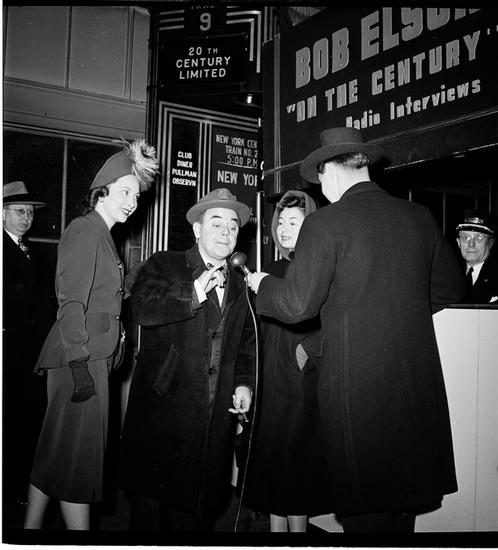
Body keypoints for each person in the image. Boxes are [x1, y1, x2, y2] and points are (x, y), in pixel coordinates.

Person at [247, 127, 465, 533]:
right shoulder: (418, 216)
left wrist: (264, 285)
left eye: (320, 179)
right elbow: (449, 289)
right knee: (401, 514)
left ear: (329, 171)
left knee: (366, 519)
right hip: (414, 393)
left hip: (357, 395)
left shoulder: (326, 223)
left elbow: (295, 305)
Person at [23, 139, 158, 530]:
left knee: (57, 453)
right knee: (78, 465)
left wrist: (132, 279)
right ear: (102, 191)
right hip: (79, 361)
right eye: (125, 192)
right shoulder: (85, 230)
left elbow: (100, 297)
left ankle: (29, 530)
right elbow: (71, 304)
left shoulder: (103, 235)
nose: (132, 202)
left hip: (86, 359)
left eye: (136, 195)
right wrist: (81, 365)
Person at [120, 187, 256, 532]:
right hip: (163, 419)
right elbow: (142, 307)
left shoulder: (241, 283)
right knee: (151, 519)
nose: (226, 232)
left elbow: (246, 343)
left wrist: (243, 383)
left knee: (195, 520)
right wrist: (194, 291)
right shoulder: (165, 264)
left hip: (212, 424)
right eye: (216, 223)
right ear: (197, 228)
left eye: (233, 226)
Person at [243, 190, 327, 532]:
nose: (284, 227)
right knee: (274, 469)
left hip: (301, 383)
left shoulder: (319, 267)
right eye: (281, 221)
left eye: (294, 221)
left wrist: (307, 350)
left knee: (295, 469)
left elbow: (336, 319)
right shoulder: (272, 269)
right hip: (269, 381)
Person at [3, 181, 57, 507]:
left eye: (30, 213)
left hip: (35, 351)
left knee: (30, 420)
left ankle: (23, 487)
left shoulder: (36, 251)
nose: (26, 218)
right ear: (2, 214)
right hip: (8, 351)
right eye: (19, 211)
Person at [456, 211, 498, 304]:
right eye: (465, 238)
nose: (471, 244)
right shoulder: (449, 274)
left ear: (491, 243)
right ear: (458, 242)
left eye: (478, 238)